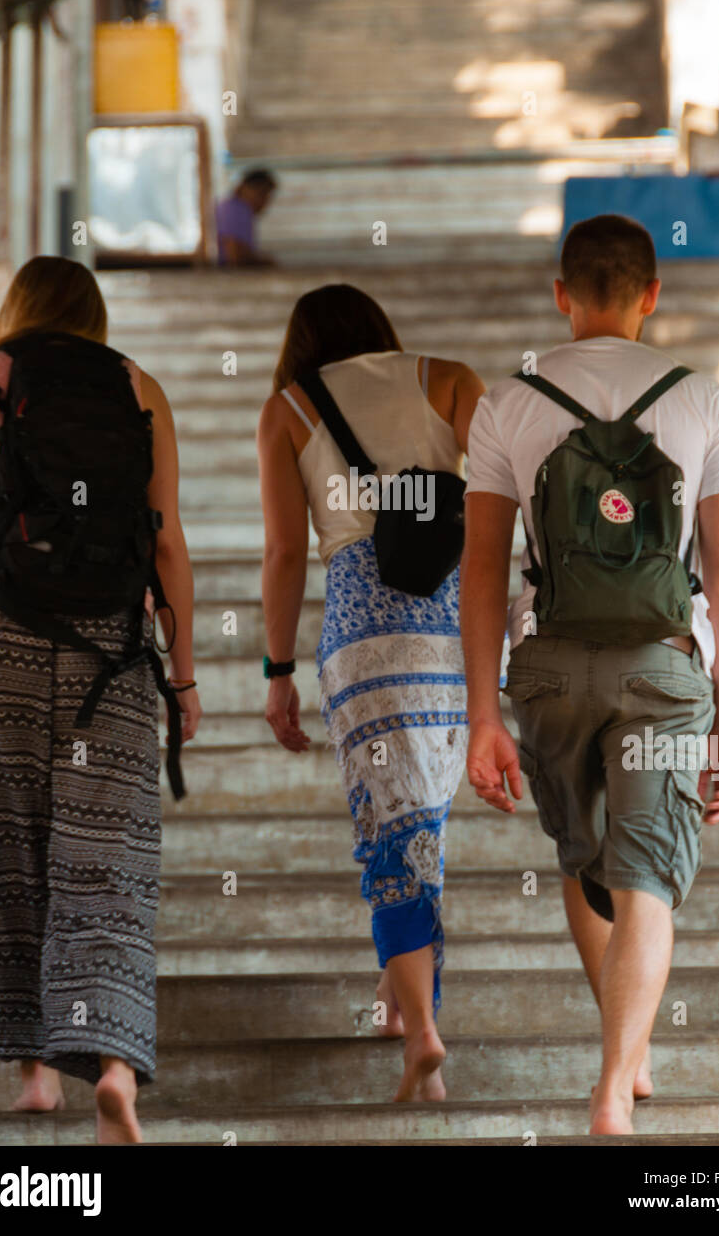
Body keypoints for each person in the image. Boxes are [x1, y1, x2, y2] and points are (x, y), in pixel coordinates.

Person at [460, 215, 719, 1135]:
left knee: (586, 862)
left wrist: (480, 713)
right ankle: (610, 1088)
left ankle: (630, 1058)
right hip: (664, 670)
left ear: (562, 296)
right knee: (647, 875)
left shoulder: (508, 401)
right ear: (650, 294)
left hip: (545, 668)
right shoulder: (703, 400)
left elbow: (478, 572)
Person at [0, 256, 202, 1144]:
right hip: (110, 647)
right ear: (93, 316)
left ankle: (32, 1079)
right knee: (109, 862)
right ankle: (115, 1074)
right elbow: (168, 548)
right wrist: (185, 676)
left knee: (16, 855)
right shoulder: (140, 387)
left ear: (14, 309)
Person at [257, 284, 484, 1102]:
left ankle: (419, 1026)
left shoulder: (287, 409)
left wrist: (275, 672)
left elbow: (286, 552)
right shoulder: (451, 379)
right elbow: (498, 503)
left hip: (358, 636)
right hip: (446, 631)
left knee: (388, 827)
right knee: (422, 822)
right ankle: (403, 1001)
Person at [216, 168, 278, 267]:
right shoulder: (238, 209)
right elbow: (234, 255)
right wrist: (264, 263)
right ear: (241, 188)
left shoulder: (231, 206)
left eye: (267, 196)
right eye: (261, 194)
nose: (264, 201)